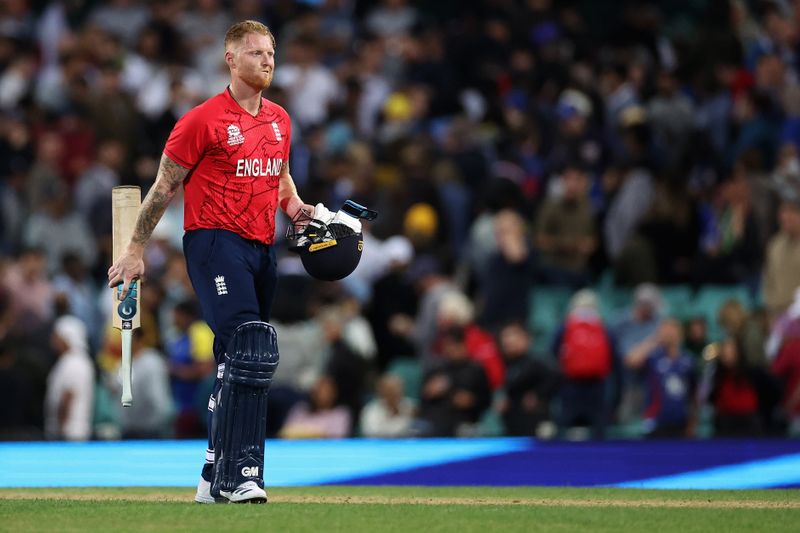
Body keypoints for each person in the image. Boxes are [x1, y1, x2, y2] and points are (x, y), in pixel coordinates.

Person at [107, 20, 313, 504]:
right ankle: (240, 475)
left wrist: (299, 210)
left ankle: (211, 471)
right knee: (248, 347)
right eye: (256, 53)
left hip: (262, 247)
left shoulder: (280, 119)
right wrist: (135, 249)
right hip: (214, 241)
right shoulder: (202, 120)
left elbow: (280, 179)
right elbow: (164, 186)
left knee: (236, 361)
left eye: (271, 53)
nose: (267, 60)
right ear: (231, 59)